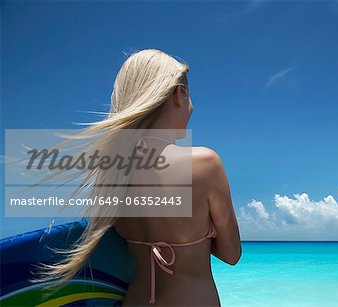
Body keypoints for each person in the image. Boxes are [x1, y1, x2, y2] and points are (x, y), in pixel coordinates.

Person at [34, 49, 241, 306]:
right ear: (179, 94)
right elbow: (232, 254)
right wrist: (201, 235)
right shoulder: (204, 163)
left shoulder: (111, 173)